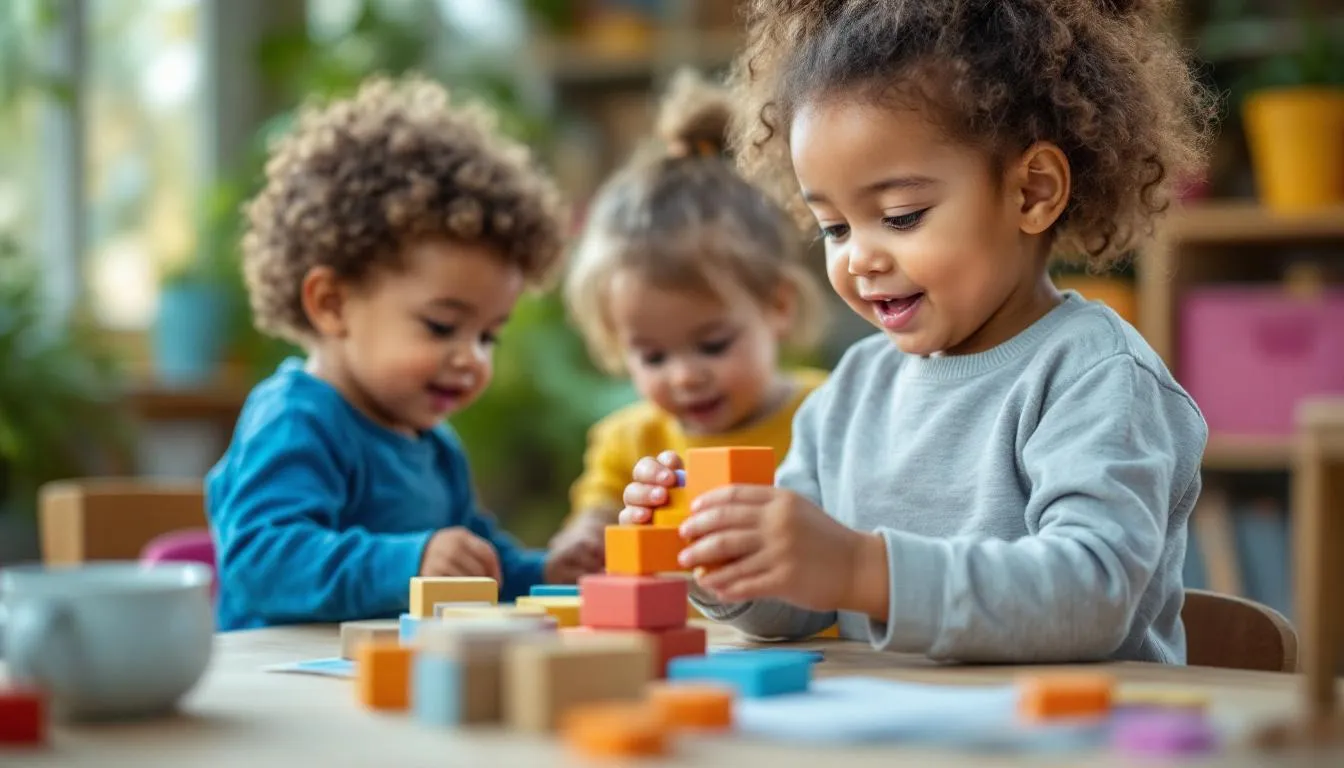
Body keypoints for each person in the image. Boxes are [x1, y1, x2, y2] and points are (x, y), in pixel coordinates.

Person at [620, 0, 1215, 664]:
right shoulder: (850, 394)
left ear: (1032, 191)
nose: (859, 258)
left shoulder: (1095, 377)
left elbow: (1092, 595)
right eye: (834, 228)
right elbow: (797, 602)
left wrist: (861, 570)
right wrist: (719, 557)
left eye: (901, 216)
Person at [206, 75, 600, 632]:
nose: (471, 358)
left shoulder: (434, 446)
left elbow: (478, 564)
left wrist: (547, 571)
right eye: (442, 326)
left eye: (488, 335)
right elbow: (260, 562)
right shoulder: (295, 419)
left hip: (384, 684)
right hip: (278, 683)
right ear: (332, 303)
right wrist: (411, 563)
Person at [548, 69, 830, 560]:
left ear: (778, 306)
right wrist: (583, 540)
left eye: (713, 344)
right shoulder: (630, 443)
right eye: (653, 356)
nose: (684, 376)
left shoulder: (828, 414)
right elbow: (591, 523)